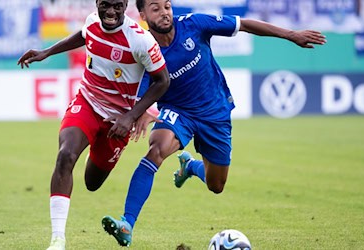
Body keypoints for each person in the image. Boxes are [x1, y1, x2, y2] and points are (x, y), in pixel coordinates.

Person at [101, 0, 326, 247]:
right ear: (143, 14)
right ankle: (127, 223)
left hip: (215, 113)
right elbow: (142, 90)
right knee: (155, 150)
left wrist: (291, 35)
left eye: (167, 6)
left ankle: (190, 167)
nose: (164, 13)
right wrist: (138, 113)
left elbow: (245, 24)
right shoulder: (143, 49)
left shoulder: (194, 24)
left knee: (216, 185)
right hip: (179, 112)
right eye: (156, 9)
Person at [17, 0, 170, 249]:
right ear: (97, 3)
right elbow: (82, 36)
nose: (111, 12)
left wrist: (131, 116)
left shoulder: (140, 40)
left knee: (92, 183)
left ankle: (95, 145)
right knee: (65, 156)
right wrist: (47, 52)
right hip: (87, 103)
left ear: (126, 5)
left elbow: (162, 81)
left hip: (118, 120)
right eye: (105, 5)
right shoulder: (92, 21)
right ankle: (57, 239)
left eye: (117, 6)